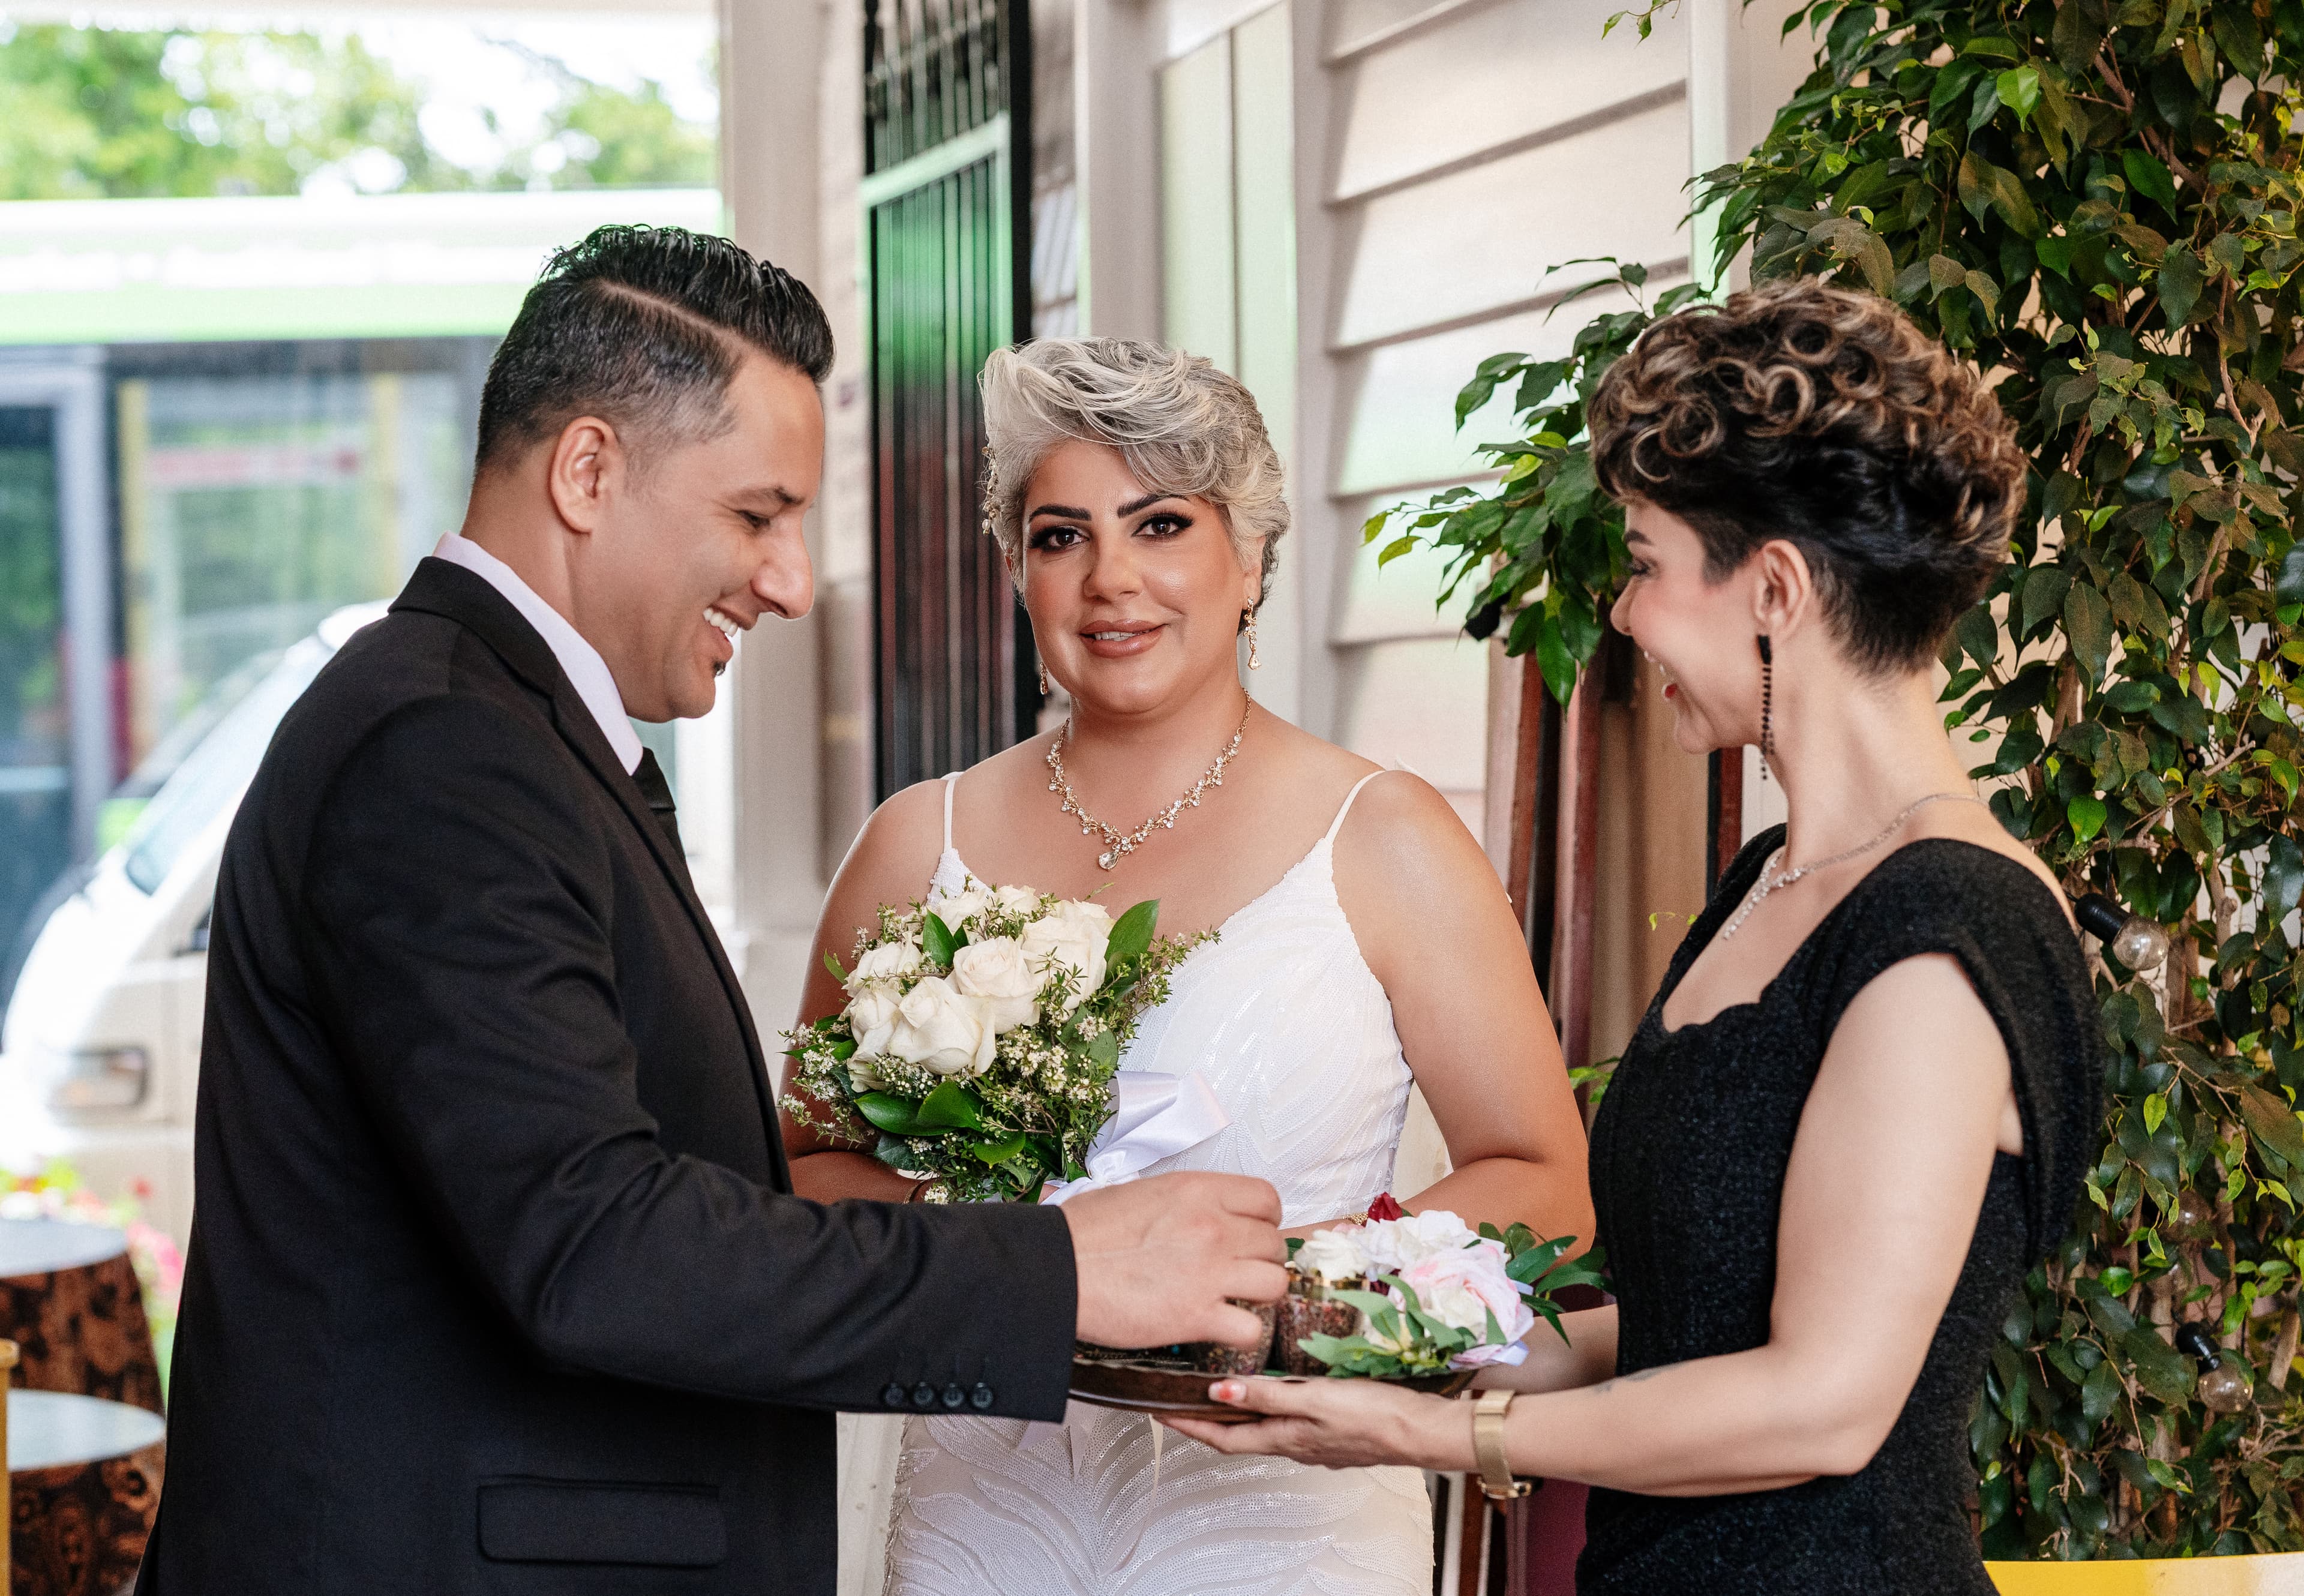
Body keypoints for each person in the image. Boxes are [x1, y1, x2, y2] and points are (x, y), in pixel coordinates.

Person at [137, 228, 1290, 1596]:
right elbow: (593, 1243)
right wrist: (1057, 1272)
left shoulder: (509, 727)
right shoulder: (443, 751)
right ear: (586, 472)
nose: (793, 581)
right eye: (759, 514)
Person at [1165, 279, 2106, 1596]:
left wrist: (1443, 1434)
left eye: (1649, 563)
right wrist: (1356, 1341)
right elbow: (1679, 1329)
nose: (1624, 614)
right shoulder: (1773, 882)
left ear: (1773, 586)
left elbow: (1821, 1401)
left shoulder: (1951, 930)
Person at [779, 337, 1594, 1596]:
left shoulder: (1386, 837)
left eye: (1162, 523)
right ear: (1017, 567)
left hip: (1283, 1523)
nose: (1112, 579)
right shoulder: (911, 842)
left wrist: (1294, 1295)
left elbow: (1547, 1185)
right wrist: (1017, 1253)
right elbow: (810, 1167)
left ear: (1252, 554)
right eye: (1061, 535)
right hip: (982, 1519)